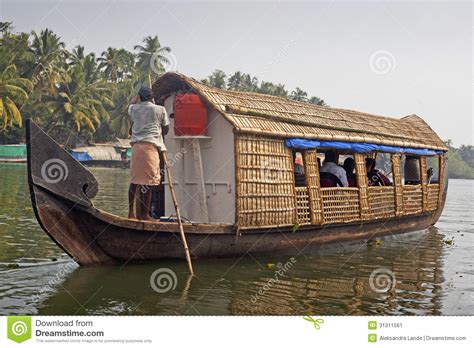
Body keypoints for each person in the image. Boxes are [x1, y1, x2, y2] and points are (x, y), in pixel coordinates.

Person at [128, 86, 170, 220]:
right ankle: (145, 214)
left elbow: (130, 104)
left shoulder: (134, 109)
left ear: (140, 97)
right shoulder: (160, 109)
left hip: (136, 148)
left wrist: (137, 96)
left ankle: (131, 212)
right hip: (150, 148)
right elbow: (166, 130)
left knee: (135, 181)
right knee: (149, 182)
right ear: (152, 97)